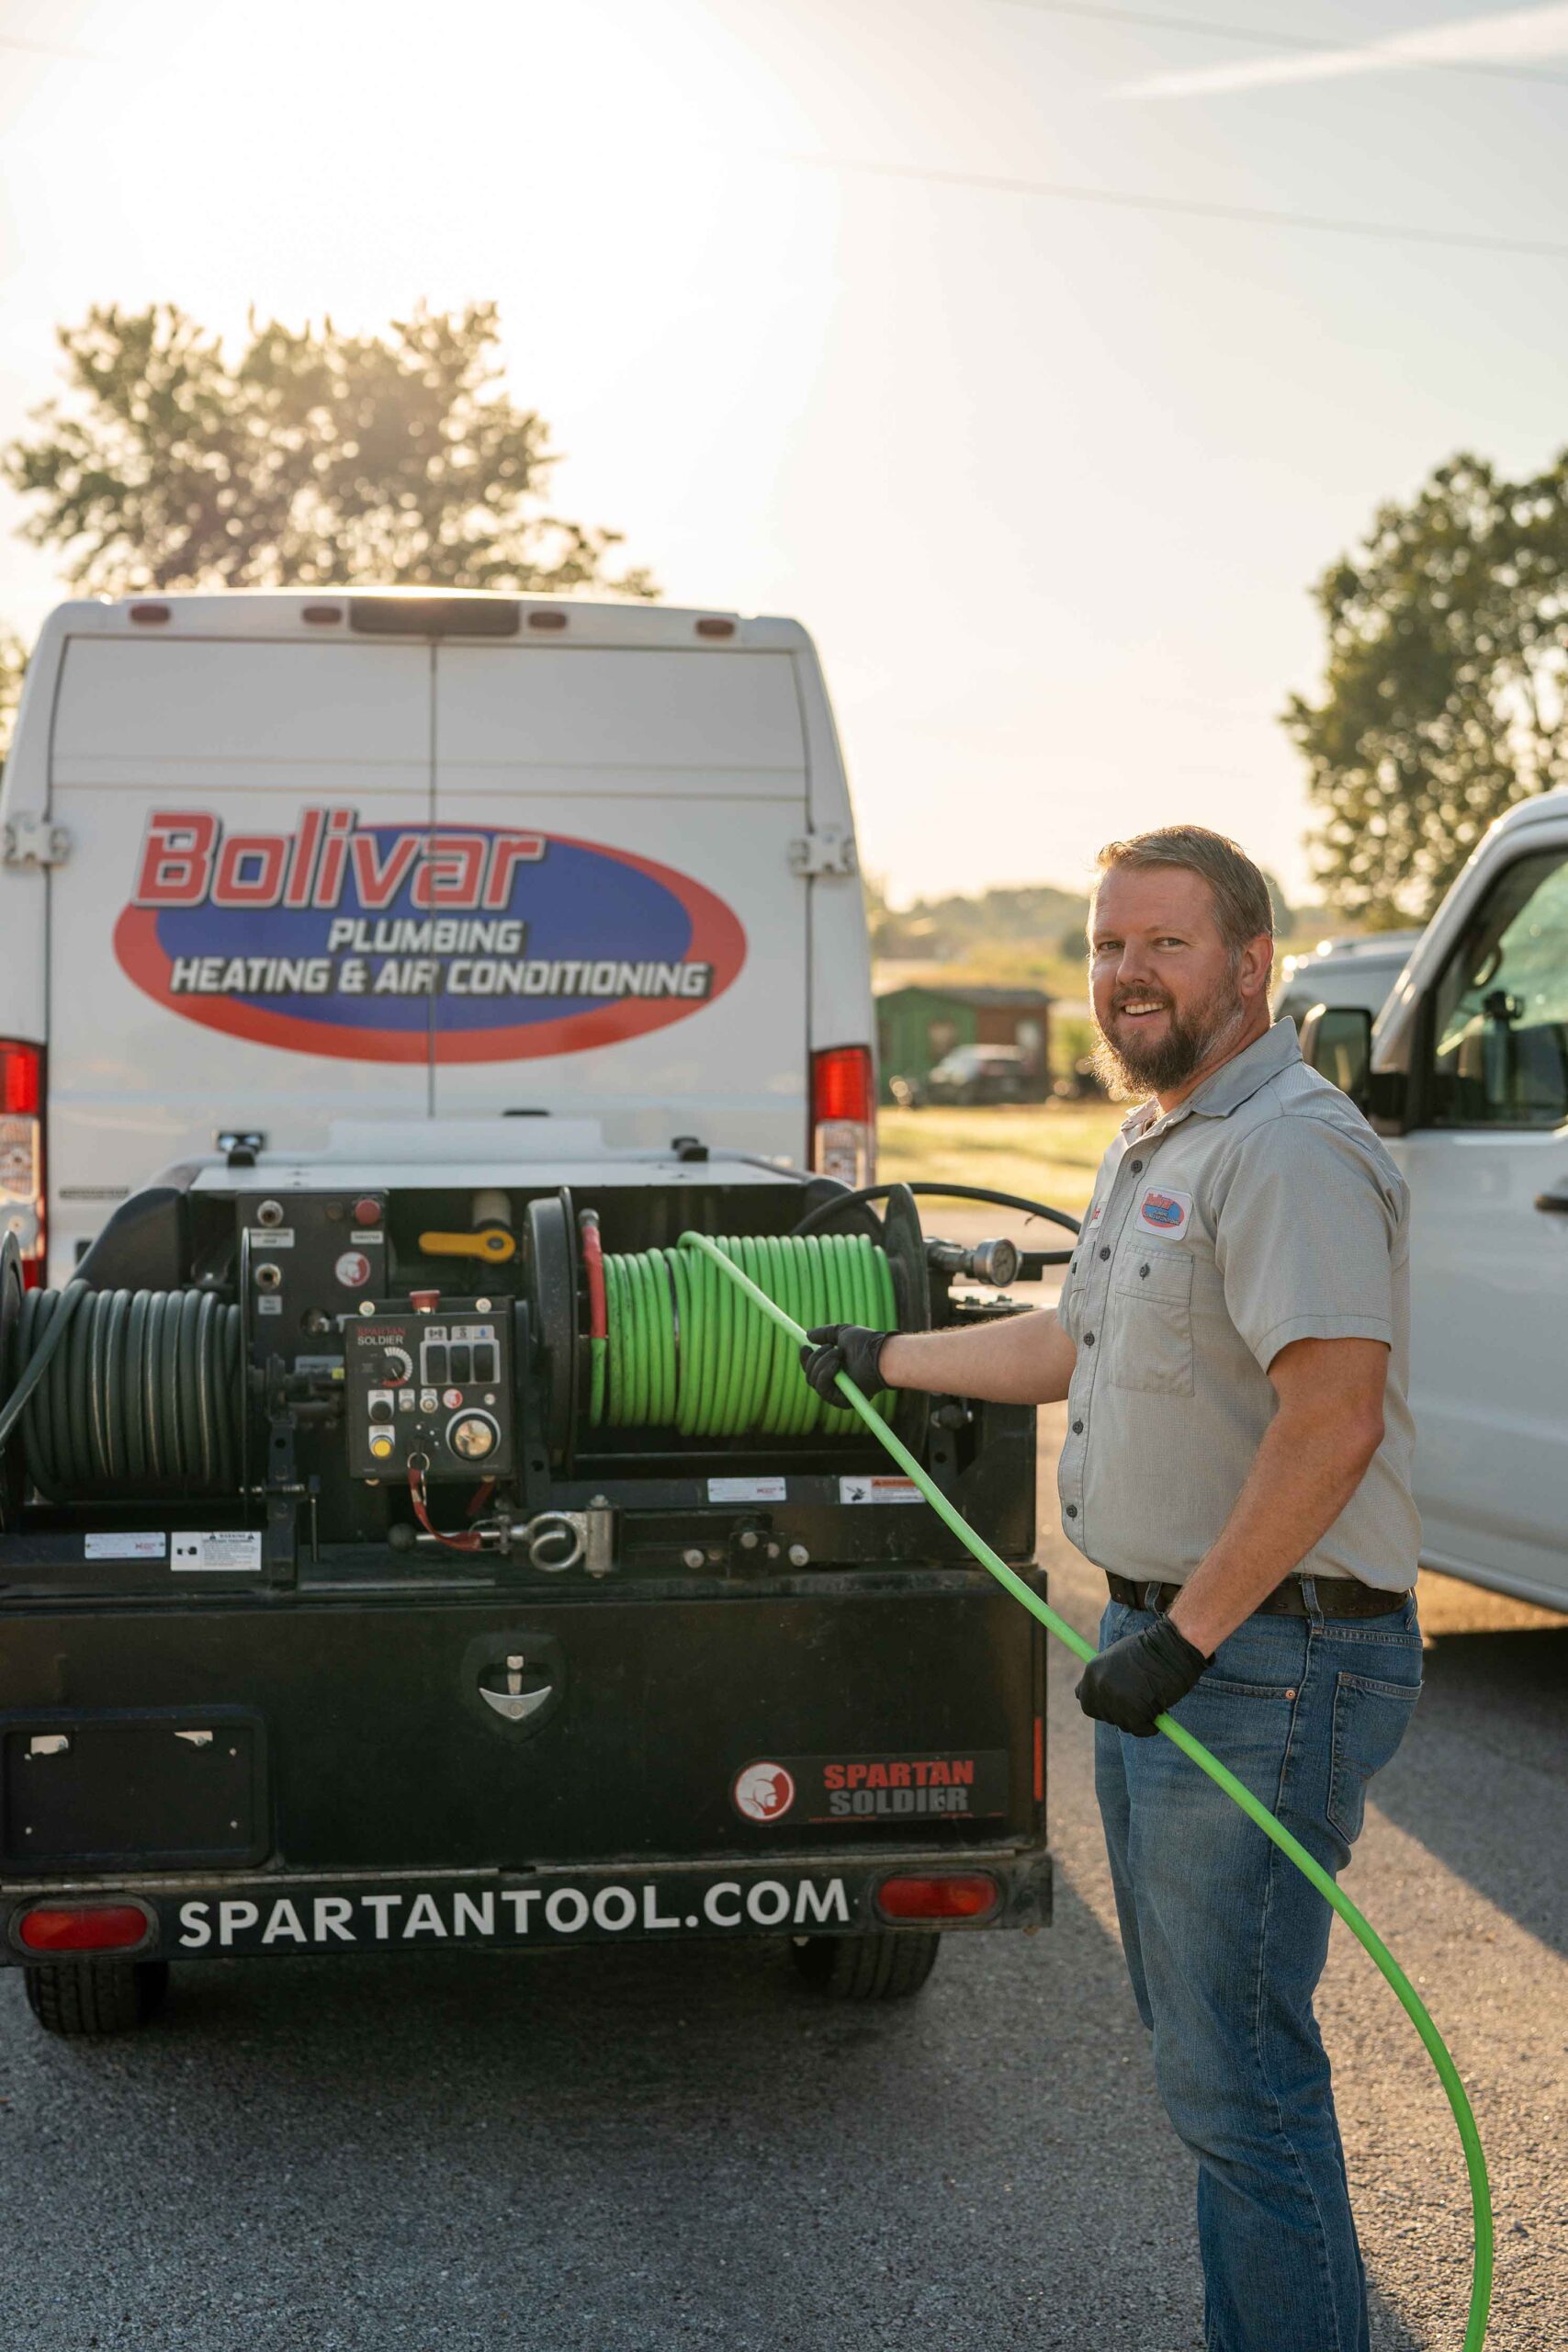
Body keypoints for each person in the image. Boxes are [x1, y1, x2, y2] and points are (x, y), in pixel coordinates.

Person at [801, 826, 1421, 2352]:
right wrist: (884, 1357)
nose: (1126, 974)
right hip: (1187, 1648)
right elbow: (1068, 1343)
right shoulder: (1161, 1139)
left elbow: (1333, 1420)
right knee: (1212, 2073)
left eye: (1165, 944)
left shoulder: (1289, 1149)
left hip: (1264, 1662)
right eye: (1106, 947)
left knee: (1241, 2086)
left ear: (1254, 963)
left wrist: (1185, 1640)